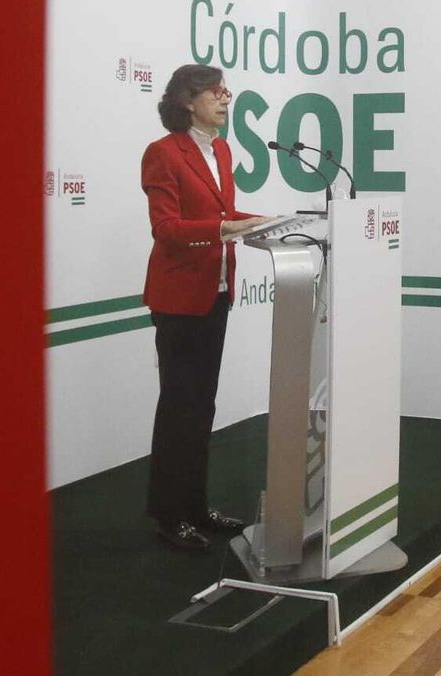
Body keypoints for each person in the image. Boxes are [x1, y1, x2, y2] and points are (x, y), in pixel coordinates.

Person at [141, 64, 271, 551]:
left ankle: (196, 507)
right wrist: (223, 230)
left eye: (225, 91)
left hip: (216, 293)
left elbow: (221, 213)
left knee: (203, 407)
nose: (225, 98)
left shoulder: (221, 149)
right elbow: (168, 229)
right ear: (186, 101)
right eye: (215, 92)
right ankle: (168, 515)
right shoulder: (162, 154)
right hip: (177, 299)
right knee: (178, 407)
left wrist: (263, 221)